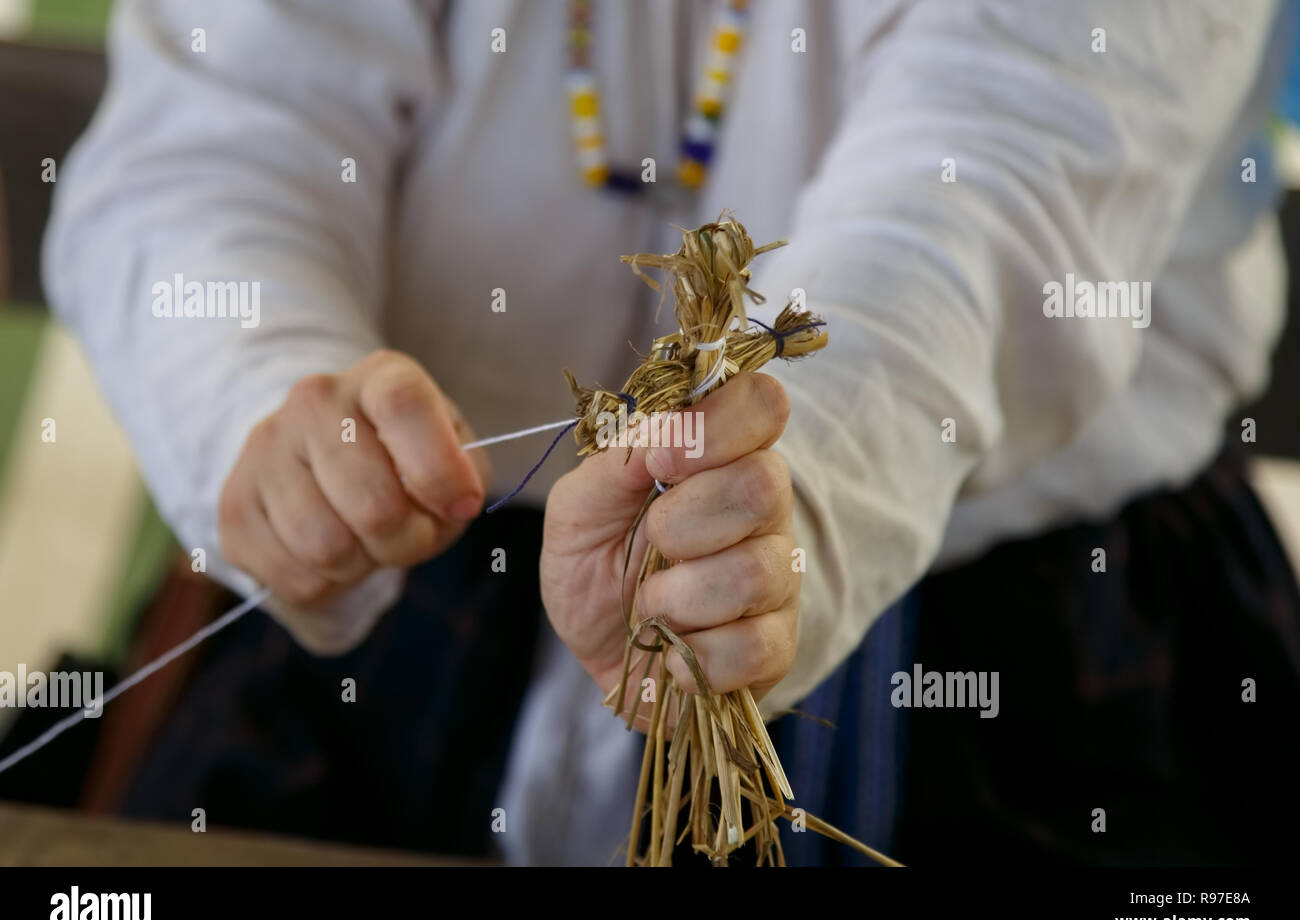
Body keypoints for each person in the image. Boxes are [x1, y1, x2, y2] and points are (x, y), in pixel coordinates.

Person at [44, 0, 1300, 864]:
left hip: (1010, 659)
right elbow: (223, 134)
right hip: (412, 600)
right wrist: (268, 400)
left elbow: (985, 201)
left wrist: (780, 499)